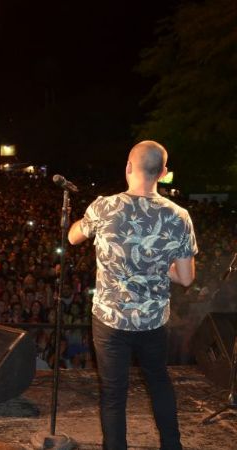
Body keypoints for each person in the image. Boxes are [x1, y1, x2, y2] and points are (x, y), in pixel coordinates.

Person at [68, 140, 196, 450]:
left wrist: (85, 222)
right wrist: (159, 266)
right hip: (153, 321)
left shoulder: (103, 207)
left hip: (110, 320)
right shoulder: (178, 216)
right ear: (162, 172)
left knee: (114, 394)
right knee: (159, 382)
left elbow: (73, 237)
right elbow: (186, 278)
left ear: (128, 166)